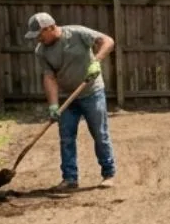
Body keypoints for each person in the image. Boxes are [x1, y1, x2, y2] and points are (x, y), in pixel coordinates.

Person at [27, 11, 117, 191]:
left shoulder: (77, 33)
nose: (38, 39)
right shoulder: (41, 51)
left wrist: (96, 61)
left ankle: (108, 173)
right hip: (67, 97)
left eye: (39, 35)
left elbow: (108, 41)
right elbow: (49, 77)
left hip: (92, 92)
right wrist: (53, 105)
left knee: (99, 134)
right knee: (66, 137)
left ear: (50, 28)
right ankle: (70, 178)